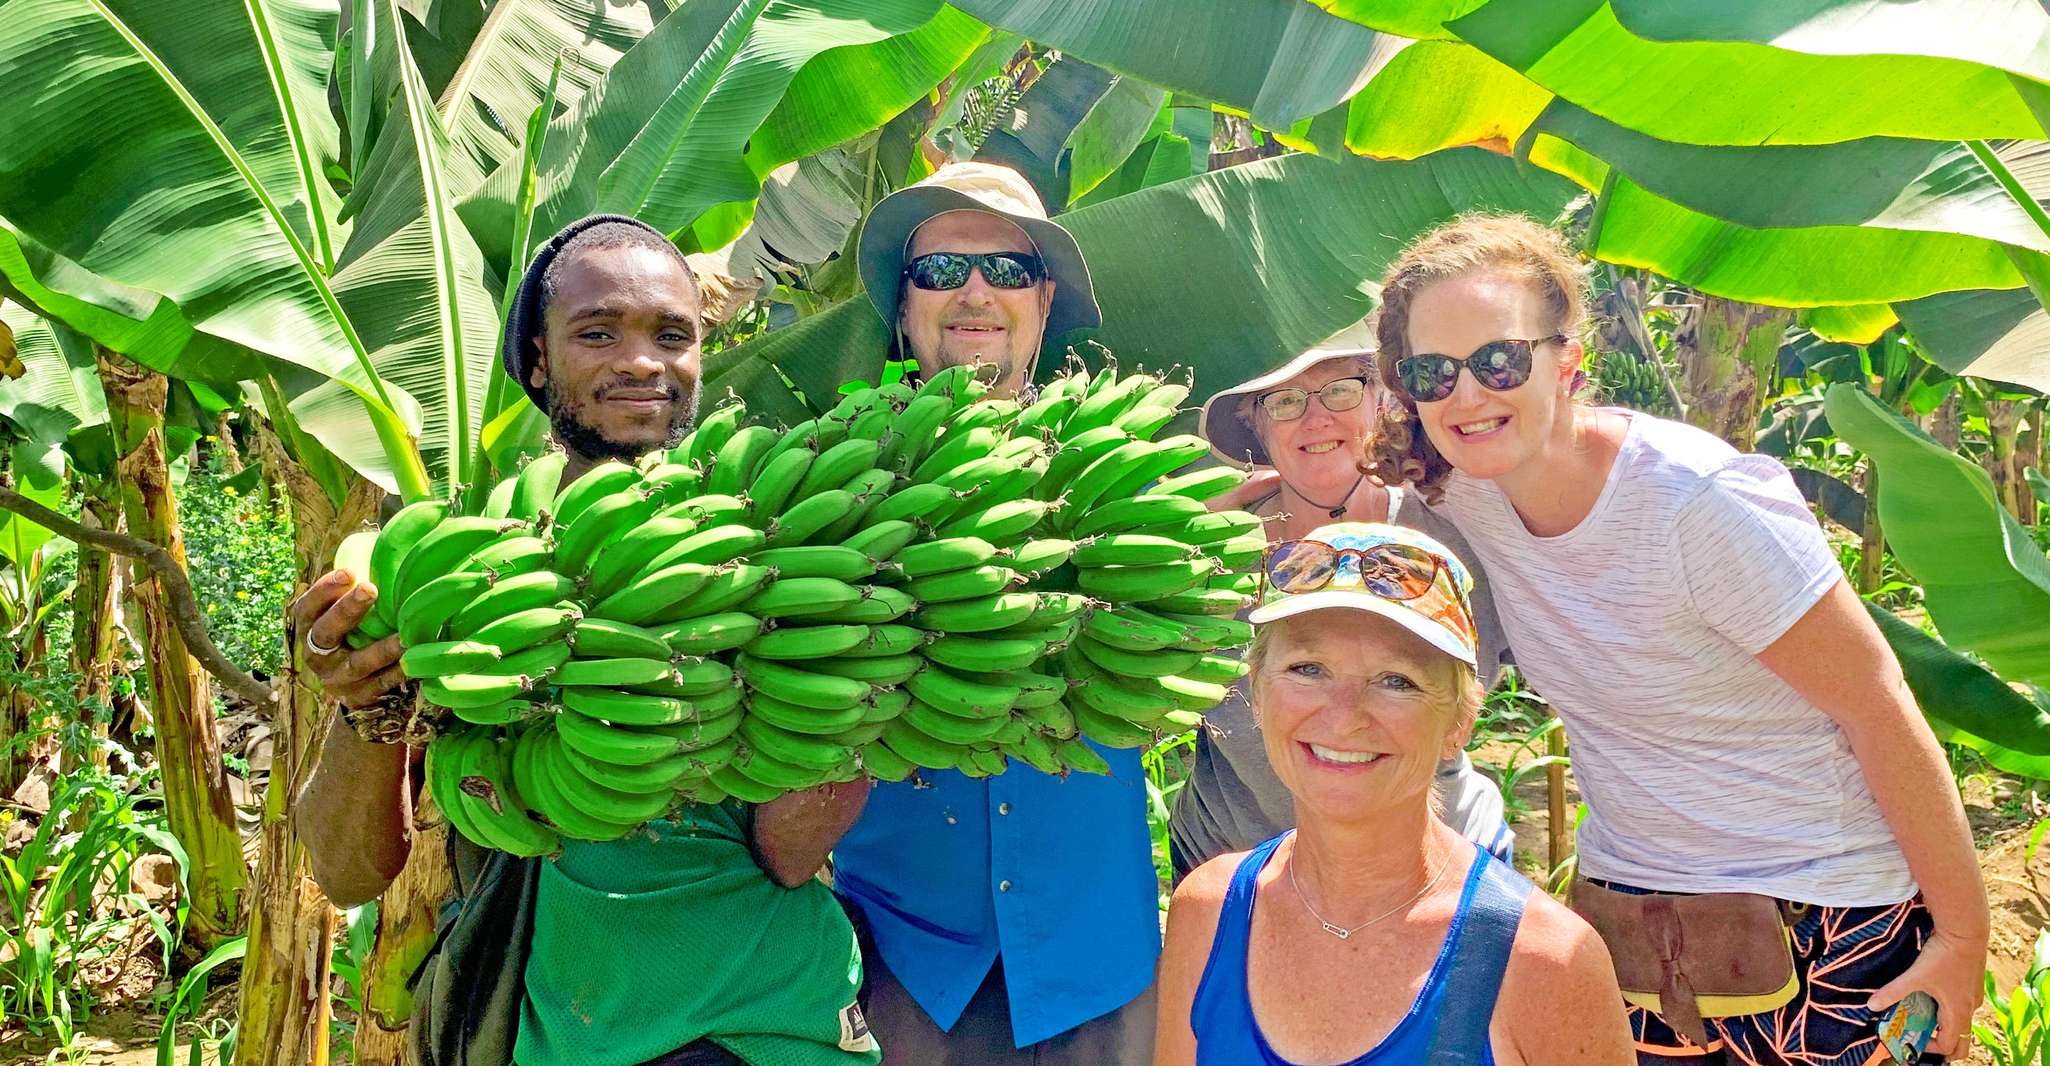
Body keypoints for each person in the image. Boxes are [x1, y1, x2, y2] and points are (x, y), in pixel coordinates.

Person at [1365, 212, 1988, 1064]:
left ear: (1568, 360)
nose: (1467, 395)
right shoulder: (1461, 489)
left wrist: (1962, 935)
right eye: (1433, 372)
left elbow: (1876, 704)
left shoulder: (1699, 506)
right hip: (1636, 922)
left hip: (1827, 922)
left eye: (1499, 361)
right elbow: (1329, 493)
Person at [293, 214, 879, 1066]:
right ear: (537, 358)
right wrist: (370, 703)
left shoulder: (770, 543)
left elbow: (788, 857)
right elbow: (346, 873)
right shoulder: (466, 564)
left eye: (671, 335)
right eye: (597, 332)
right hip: (558, 1035)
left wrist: (845, 691)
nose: (641, 362)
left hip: (769, 1027)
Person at [831, 161, 1160, 1064]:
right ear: (903, 309)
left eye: (1007, 270)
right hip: (903, 959)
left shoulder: (1129, 476)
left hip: (1097, 955)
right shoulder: (833, 483)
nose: (975, 292)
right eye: (940, 271)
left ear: (1043, 302)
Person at [1155, 522, 1633, 1065]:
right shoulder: (1210, 910)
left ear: (1460, 720)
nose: (1344, 715)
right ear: (1257, 695)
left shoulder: (1541, 960)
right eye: (1307, 669)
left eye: (1396, 680)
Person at [1170, 339, 1515, 881]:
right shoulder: (1201, 554)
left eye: (1339, 391)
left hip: (1437, 872)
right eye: (1284, 402)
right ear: (1254, 426)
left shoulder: (1462, 533)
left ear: (1379, 399)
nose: (1315, 418)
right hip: (1234, 871)